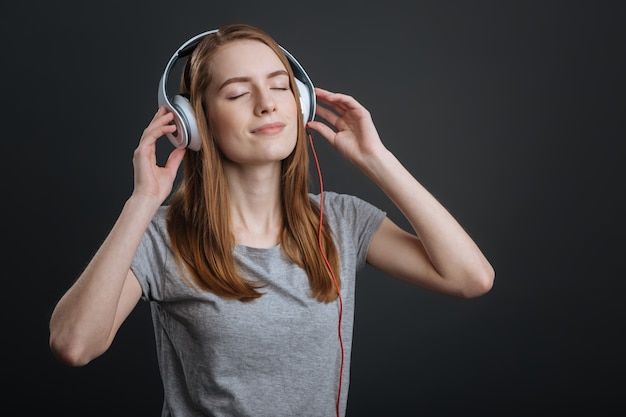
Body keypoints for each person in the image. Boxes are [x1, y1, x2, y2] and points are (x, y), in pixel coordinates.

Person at [49, 23, 495, 417]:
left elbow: (471, 278)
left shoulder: (340, 220)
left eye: (280, 87)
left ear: (300, 105)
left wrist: (377, 160)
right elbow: (74, 345)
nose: (267, 105)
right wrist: (143, 201)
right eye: (239, 93)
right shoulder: (162, 237)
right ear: (195, 123)